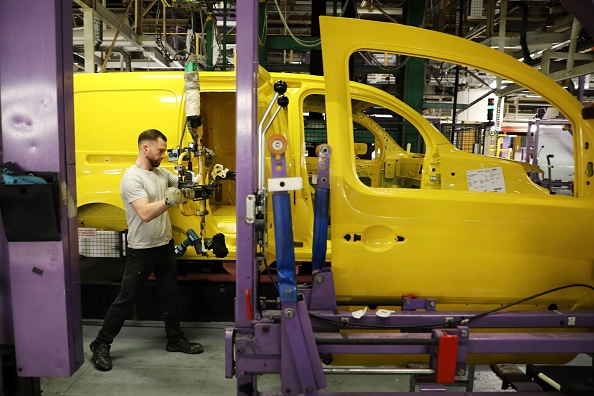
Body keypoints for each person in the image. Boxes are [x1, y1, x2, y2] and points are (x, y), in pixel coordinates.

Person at [90, 129, 202, 371]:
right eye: (160, 151)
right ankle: (100, 344)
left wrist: (199, 171)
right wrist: (170, 200)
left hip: (164, 245)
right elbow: (145, 213)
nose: (163, 155)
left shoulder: (161, 173)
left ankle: (175, 339)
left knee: (170, 295)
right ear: (145, 148)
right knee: (126, 299)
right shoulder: (132, 178)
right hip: (141, 249)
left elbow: (186, 181)